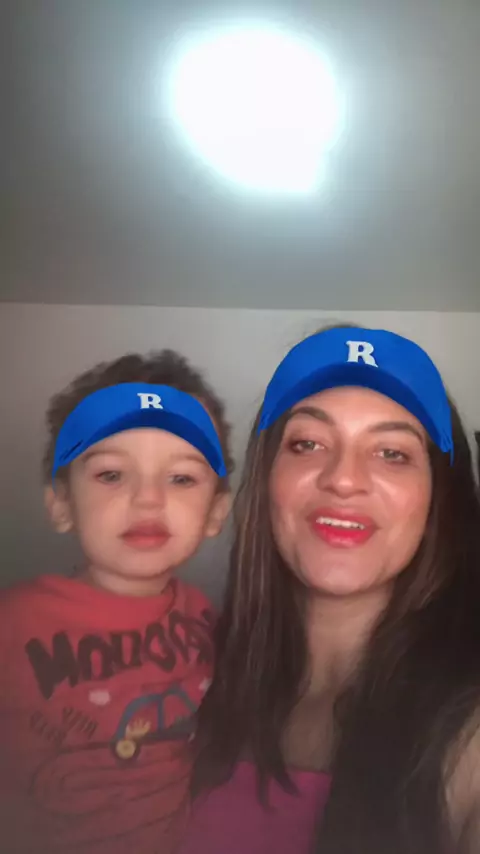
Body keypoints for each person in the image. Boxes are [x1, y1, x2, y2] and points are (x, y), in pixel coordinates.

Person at [180, 326, 480, 854]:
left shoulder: (469, 736)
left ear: (438, 501)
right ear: (267, 480)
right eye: (308, 444)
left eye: (392, 453)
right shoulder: (188, 676)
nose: (343, 479)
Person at [0, 350, 233, 854]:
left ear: (216, 512)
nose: (148, 499)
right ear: (61, 503)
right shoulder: (12, 623)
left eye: (181, 478)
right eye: (111, 474)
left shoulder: (207, 622)